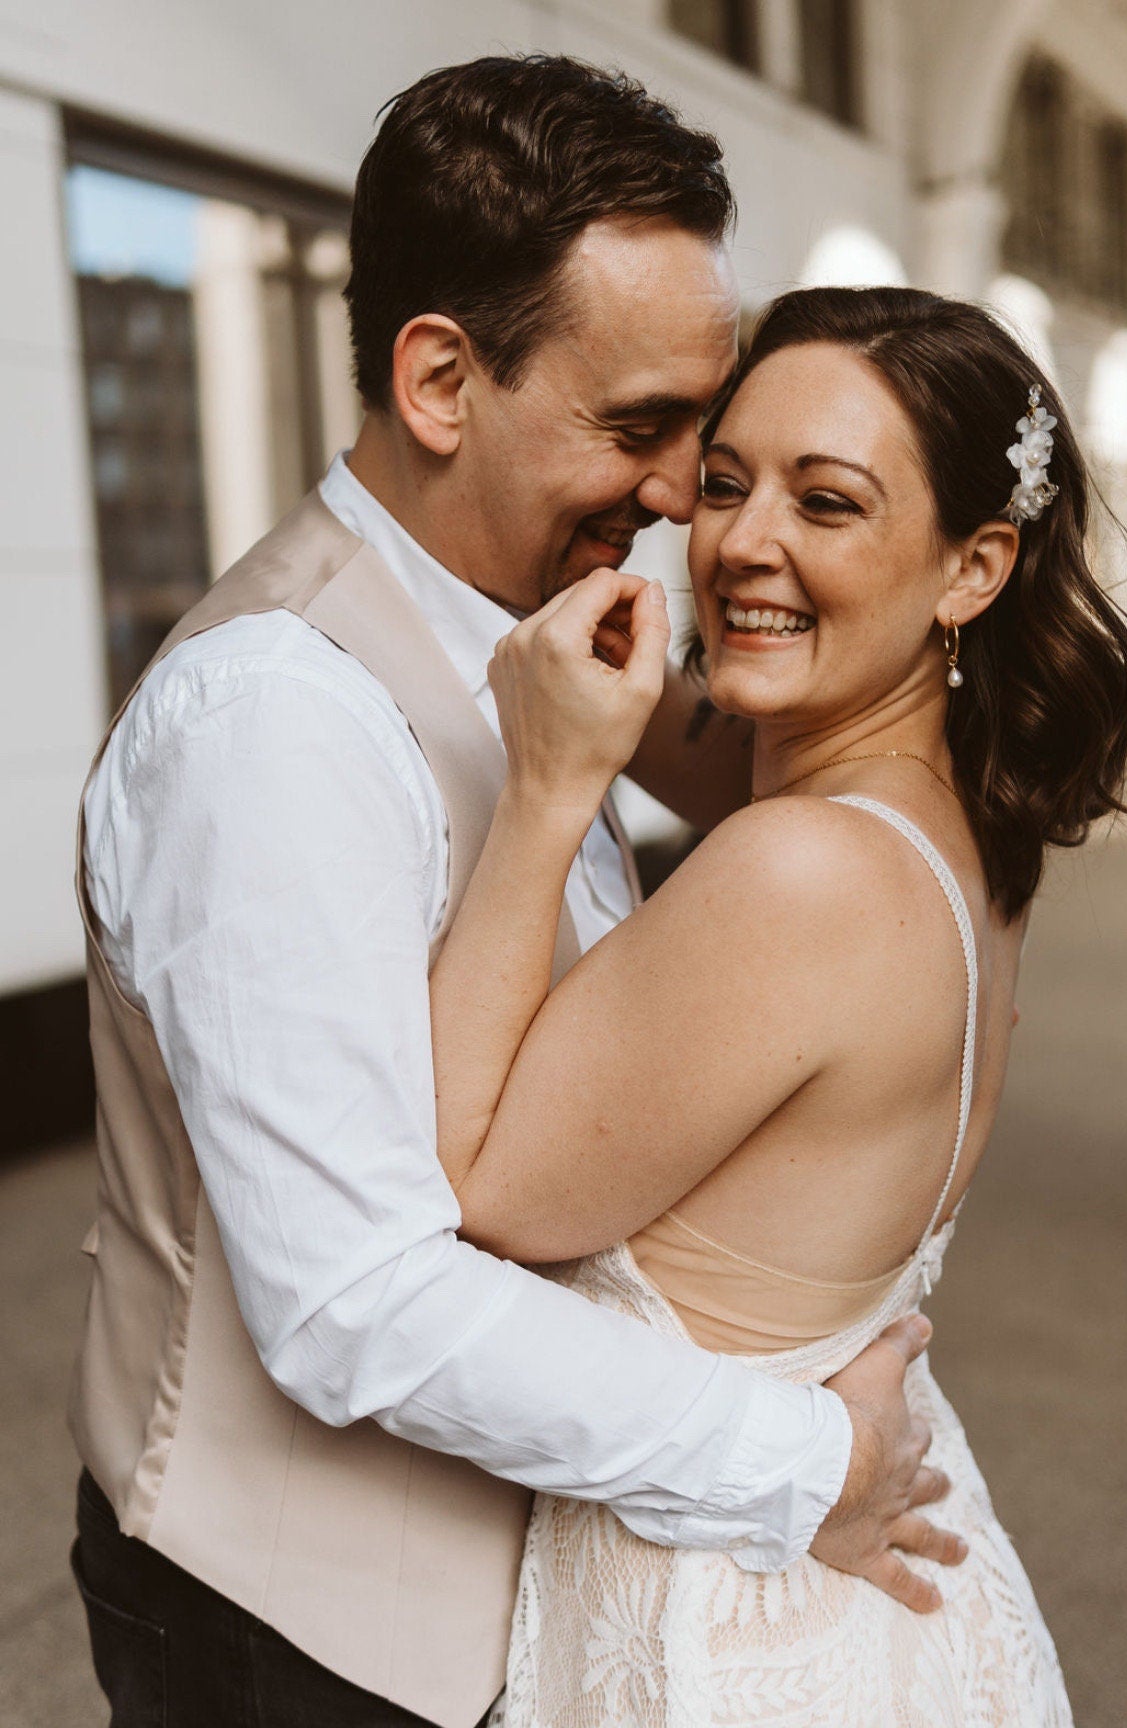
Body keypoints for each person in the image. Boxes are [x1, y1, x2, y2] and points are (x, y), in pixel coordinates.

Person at [69, 59, 961, 1728]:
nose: (681, 498)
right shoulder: (274, 719)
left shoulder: (546, 620)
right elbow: (353, 1304)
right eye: (639, 430)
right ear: (436, 381)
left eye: (705, 424)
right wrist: (796, 1459)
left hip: (528, 1594)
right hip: (305, 1640)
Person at [424, 285, 1127, 1726]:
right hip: (882, 1604)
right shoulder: (969, 829)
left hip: (725, 1632)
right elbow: (729, 731)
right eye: (720, 483)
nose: (739, 542)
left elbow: (468, 1190)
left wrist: (547, 793)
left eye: (825, 503)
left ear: (971, 567)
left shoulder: (800, 871)